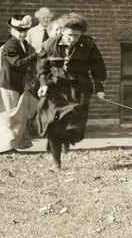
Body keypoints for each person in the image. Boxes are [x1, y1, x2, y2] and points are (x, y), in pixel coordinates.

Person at [36, 13, 107, 169]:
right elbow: (42, 68)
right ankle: (56, 161)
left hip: (79, 88)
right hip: (56, 88)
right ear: (62, 31)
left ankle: (67, 138)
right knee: (54, 125)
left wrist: (99, 88)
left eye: (76, 35)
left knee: (76, 127)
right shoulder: (49, 44)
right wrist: (43, 84)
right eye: (69, 35)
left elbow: (97, 68)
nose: (72, 39)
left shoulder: (88, 44)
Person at [0, 15, 44, 154]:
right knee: (5, 115)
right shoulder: (9, 46)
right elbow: (17, 63)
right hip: (6, 85)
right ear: (12, 31)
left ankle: (11, 145)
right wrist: (36, 55)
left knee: (15, 114)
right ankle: (1, 147)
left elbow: (32, 59)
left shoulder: (25, 45)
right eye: (18, 30)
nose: (22, 34)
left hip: (15, 85)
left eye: (24, 31)